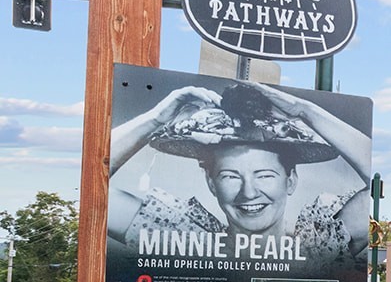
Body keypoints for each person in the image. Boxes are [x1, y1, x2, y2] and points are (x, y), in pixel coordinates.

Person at [107, 80, 369, 266]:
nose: (249, 192)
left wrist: (306, 111)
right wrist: (155, 118)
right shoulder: (189, 240)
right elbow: (94, 191)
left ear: (291, 180)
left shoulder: (320, 244)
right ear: (211, 182)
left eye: (265, 175)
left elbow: (377, 183)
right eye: (230, 176)